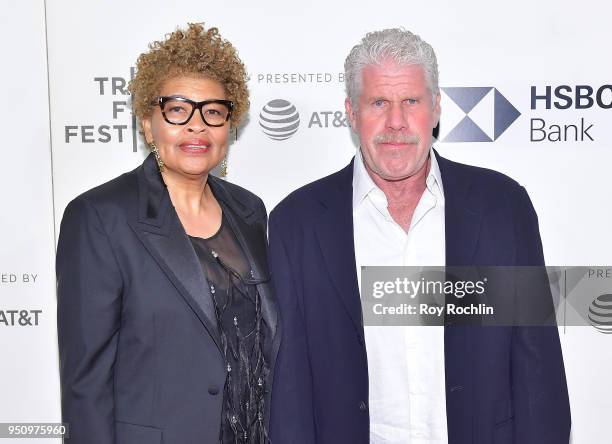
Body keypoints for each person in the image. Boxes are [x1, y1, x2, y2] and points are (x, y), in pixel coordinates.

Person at [269, 28, 570, 443]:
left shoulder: (503, 208)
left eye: (411, 101)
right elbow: (289, 389)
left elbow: (539, 369)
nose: (396, 122)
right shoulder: (296, 223)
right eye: (378, 103)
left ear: (437, 108)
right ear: (351, 113)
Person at [57, 23, 279, 444]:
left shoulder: (249, 211)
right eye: (177, 110)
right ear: (147, 122)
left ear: (228, 125)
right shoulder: (100, 217)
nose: (197, 127)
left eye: (213, 111)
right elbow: (85, 385)